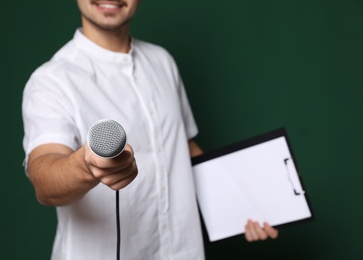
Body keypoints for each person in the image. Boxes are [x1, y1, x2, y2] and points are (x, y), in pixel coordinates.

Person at [22, 0, 278, 259]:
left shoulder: (162, 61)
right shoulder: (51, 80)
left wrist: (247, 202)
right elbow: (44, 176)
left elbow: (182, 148)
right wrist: (87, 165)